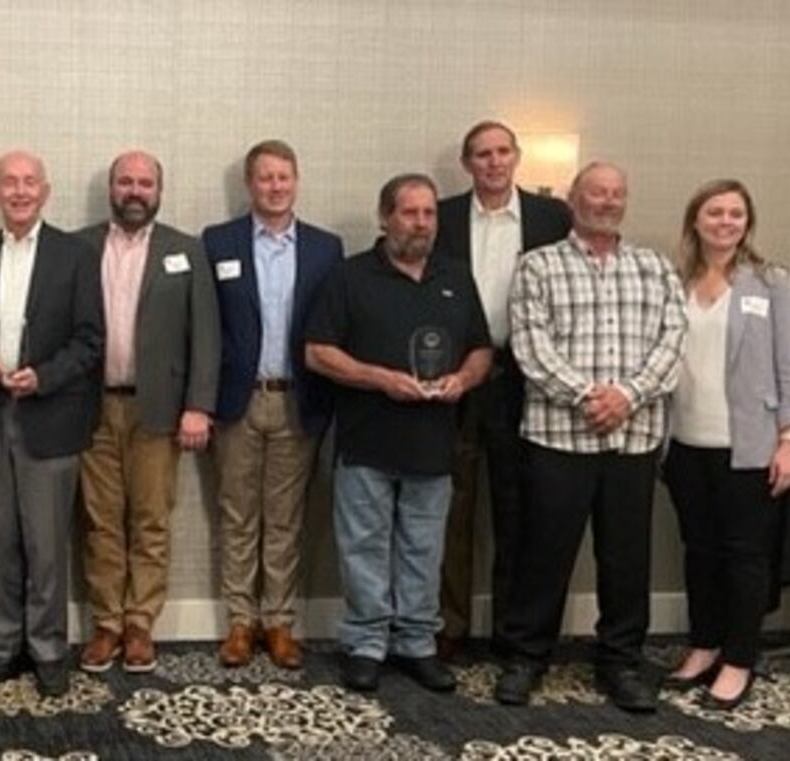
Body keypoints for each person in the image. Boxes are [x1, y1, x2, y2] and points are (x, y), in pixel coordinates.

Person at [495, 162, 687, 713]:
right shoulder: (537, 267)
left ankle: (620, 661)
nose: (606, 202)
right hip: (559, 438)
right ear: (573, 200)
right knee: (543, 555)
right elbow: (531, 348)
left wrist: (627, 395)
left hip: (634, 436)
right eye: (596, 192)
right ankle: (527, 658)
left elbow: (673, 342)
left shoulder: (654, 268)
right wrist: (589, 397)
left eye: (616, 194)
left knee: (627, 559)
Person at [306, 174, 492, 693]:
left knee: (423, 549)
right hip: (367, 440)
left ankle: (416, 644)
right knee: (363, 547)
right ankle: (365, 643)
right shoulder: (349, 277)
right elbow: (318, 351)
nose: (421, 223)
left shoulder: (456, 277)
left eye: (429, 214)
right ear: (385, 217)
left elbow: (480, 348)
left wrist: (465, 378)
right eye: (409, 213)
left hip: (434, 442)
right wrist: (379, 379)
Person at [0, 150, 103, 697]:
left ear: (45, 191)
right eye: (8, 183)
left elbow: (90, 339)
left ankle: (49, 648)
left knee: (46, 544)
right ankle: (6, 642)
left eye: (28, 182)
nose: (18, 191)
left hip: (49, 415)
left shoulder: (76, 256)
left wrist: (44, 377)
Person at [660, 179, 790, 710]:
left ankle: (739, 660)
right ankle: (704, 646)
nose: (725, 222)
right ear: (695, 220)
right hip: (682, 443)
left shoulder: (770, 284)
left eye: (736, 214)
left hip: (747, 447)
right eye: (715, 212)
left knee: (746, 557)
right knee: (699, 552)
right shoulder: (674, 281)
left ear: (747, 223)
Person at [432, 121, 572, 661]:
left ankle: (516, 631)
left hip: (524, 380)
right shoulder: (441, 217)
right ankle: (451, 625)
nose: (493, 162)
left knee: (519, 510)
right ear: (468, 164)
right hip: (458, 379)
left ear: (517, 157)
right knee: (452, 508)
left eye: (502, 152)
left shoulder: (551, 217)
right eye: (482, 155)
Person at [74, 150, 219, 674]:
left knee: (151, 521)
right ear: (111, 189)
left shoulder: (186, 251)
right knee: (100, 523)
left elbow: (206, 333)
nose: (134, 191)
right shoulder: (79, 247)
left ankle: (141, 623)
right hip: (92, 409)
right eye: (125, 182)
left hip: (159, 410)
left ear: (159, 190)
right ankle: (106, 623)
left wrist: (199, 405)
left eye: (145, 183)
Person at [202, 139, 343, 669]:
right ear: (249, 184)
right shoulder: (218, 243)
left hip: (298, 400)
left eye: (284, 176)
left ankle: (279, 623)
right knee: (237, 514)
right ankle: (240, 623)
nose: (275, 186)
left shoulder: (326, 249)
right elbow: (207, 326)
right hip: (237, 400)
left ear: (297, 181)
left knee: (285, 519)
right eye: (265, 177)